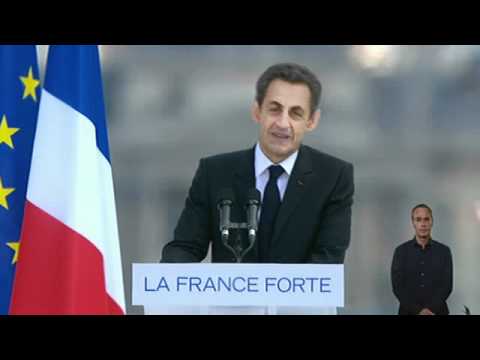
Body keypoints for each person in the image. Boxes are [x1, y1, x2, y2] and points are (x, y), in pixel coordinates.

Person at [161, 62, 354, 264]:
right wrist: (165, 279)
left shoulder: (333, 177)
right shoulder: (215, 173)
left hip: (298, 296)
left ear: (312, 120)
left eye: (296, 114)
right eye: (274, 109)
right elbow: (186, 247)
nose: (282, 124)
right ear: (257, 111)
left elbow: (328, 260)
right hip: (228, 296)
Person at [391, 204, 453, 315]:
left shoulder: (444, 251)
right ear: (413, 223)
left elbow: (447, 285)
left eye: (426, 219)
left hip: (438, 312)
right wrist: (418, 311)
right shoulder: (401, 252)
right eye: (418, 219)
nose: (423, 224)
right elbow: (398, 287)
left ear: (431, 222)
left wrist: (430, 310)